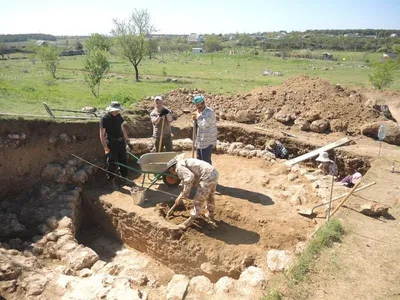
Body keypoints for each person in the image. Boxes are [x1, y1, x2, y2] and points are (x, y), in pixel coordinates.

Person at [166, 157, 219, 230]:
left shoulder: (178, 167)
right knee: (210, 195)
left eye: (170, 171)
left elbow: (189, 178)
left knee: (198, 200)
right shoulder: (182, 163)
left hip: (206, 175)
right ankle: (210, 214)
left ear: (171, 168)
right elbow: (190, 179)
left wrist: (183, 194)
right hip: (213, 173)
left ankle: (189, 221)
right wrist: (183, 194)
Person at [100, 101, 133, 189]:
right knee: (112, 162)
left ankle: (124, 178)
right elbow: (102, 134)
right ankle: (110, 181)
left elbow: (122, 129)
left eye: (118, 110)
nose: (117, 112)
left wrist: (128, 141)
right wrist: (105, 148)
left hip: (121, 142)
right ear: (110, 110)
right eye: (115, 110)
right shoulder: (105, 118)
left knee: (123, 160)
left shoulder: (118, 116)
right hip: (111, 143)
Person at [192, 95, 217, 165]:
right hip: (199, 141)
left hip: (207, 142)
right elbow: (196, 125)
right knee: (199, 163)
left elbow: (203, 125)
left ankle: (209, 175)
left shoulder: (210, 113)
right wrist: (194, 119)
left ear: (203, 103)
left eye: (198, 105)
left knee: (206, 163)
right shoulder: (198, 112)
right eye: (196, 105)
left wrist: (198, 117)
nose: (197, 107)